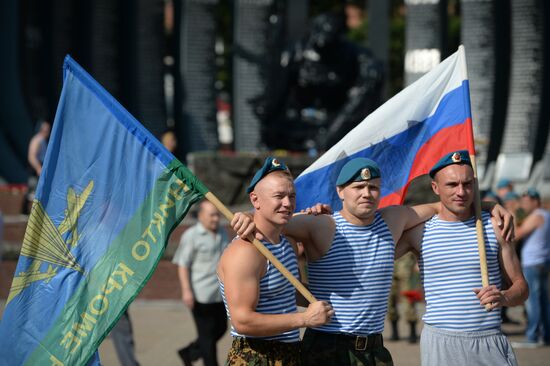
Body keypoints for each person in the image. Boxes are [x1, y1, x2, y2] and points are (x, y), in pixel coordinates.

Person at [232, 157, 512, 366]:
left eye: (373, 187)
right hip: (328, 345)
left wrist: (490, 206)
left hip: (375, 349)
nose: (367, 193)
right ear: (340, 192)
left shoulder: (393, 219)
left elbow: (447, 204)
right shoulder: (319, 225)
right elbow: (270, 216)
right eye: (359, 187)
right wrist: (244, 215)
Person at [396, 151, 528, 365]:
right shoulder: (419, 232)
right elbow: (374, 254)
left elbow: (521, 287)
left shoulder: (494, 226)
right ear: (435, 188)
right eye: (452, 185)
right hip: (440, 343)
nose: (461, 192)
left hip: (487, 339)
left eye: (467, 184)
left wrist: (504, 297)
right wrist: (324, 221)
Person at [218, 157, 334, 365]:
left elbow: (289, 291)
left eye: (292, 196)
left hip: (289, 353)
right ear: (255, 200)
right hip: (256, 356)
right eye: (279, 196)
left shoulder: (286, 243)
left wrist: (333, 301)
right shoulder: (246, 251)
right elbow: (243, 320)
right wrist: (305, 319)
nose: (287, 204)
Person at [172, 200, 229, 366]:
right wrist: (186, 291)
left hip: (220, 293)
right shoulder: (191, 236)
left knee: (221, 329)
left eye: (217, 215)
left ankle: (189, 352)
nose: (216, 219)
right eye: (212, 215)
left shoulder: (222, 232)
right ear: (201, 215)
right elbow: (183, 264)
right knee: (207, 338)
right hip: (200, 295)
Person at [511, 188, 550, 348]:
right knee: (542, 301)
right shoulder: (545, 215)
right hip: (542, 261)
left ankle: (532, 336)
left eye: (526, 202)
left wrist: (512, 215)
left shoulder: (537, 216)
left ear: (535, 201)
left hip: (533, 263)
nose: (524, 205)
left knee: (533, 301)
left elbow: (516, 234)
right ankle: (546, 335)